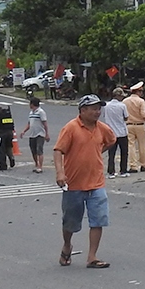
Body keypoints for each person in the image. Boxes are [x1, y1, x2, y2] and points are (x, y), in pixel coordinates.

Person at [55, 94, 116, 269]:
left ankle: (92, 257)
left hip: (96, 183)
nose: (98, 112)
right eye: (94, 109)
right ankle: (67, 246)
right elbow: (58, 150)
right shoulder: (71, 128)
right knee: (71, 223)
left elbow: (111, 141)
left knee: (98, 220)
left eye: (99, 109)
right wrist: (60, 173)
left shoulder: (102, 128)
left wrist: (97, 151)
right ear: (83, 111)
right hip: (73, 184)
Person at [123, 81, 145, 172]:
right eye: (141, 91)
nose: (141, 93)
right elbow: (144, 115)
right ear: (138, 92)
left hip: (129, 125)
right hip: (140, 125)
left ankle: (133, 166)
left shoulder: (125, 101)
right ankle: (143, 164)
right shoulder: (141, 101)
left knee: (131, 146)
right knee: (142, 146)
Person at [101, 86, 131, 176]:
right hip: (122, 132)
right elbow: (126, 117)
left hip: (110, 132)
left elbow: (104, 116)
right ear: (118, 96)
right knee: (124, 152)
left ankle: (111, 172)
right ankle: (123, 170)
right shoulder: (122, 106)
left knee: (111, 153)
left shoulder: (106, 105)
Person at [24, 97, 51, 173]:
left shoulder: (41, 112)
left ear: (32, 104)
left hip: (40, 134)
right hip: (32, 134)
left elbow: (45, 124)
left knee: (39, 150)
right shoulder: (31, 113)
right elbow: (29, 124)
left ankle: (40, 167)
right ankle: (36, 164)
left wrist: (46, 134)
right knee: (33, 151)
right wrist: (24, 131)